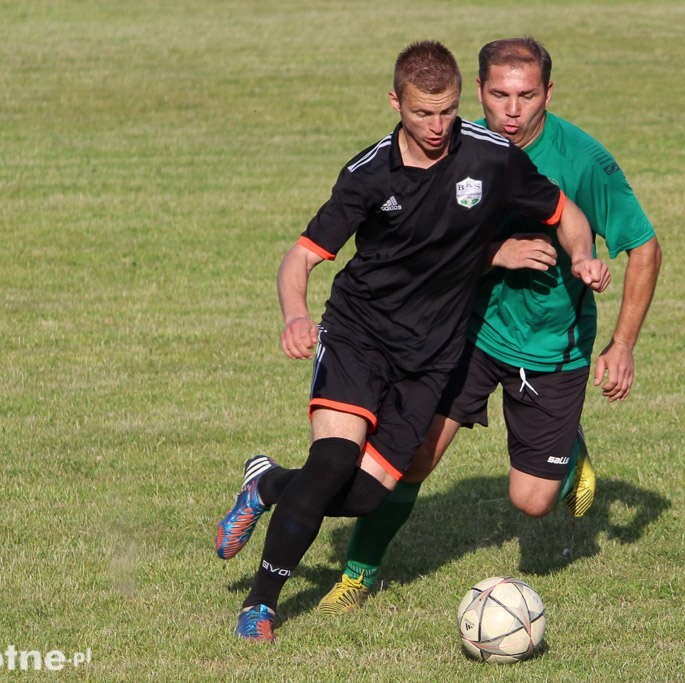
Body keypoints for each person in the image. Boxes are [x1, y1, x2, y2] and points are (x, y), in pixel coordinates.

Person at [213, 40, 609, 643]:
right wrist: (295, 316)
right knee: (331, 464)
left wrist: (581, 256)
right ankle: (262, 604)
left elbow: (565, 213)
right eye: (423, 113)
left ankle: (266, 483)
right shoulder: (368, 174)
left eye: (448, 111)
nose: (437, 126)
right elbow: (299, 258)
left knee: (368, 496)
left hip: (431, 359)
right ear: (396, 102)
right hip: (358, 336)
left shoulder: (491, 157)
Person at [317, 37, 662, 615]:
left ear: (548, 93)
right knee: (414, 458)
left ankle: (567, 446)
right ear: (478, 91)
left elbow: (644, 248)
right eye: (499, 95)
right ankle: (359, 574)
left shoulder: (584, 161)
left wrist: (621, 343)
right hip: (466, 332)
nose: (511, 109)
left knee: (531, 503)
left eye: (526, 96)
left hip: (551, 346)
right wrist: (496, 252)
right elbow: (413, 252)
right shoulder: (452, 147)